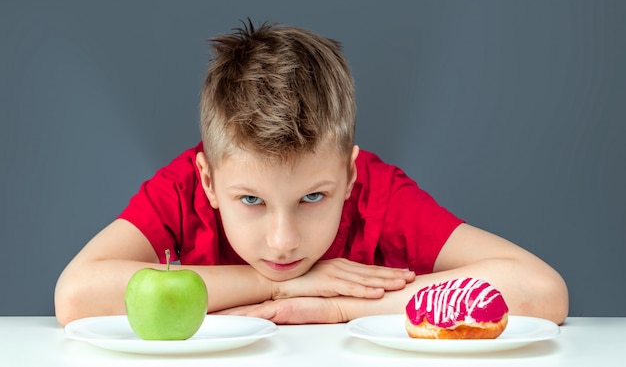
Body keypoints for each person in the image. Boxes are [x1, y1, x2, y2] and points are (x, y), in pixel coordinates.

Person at [54, 21, 568, 327]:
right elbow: (77, 295)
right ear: (209, 181)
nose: (283, 242)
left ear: (349, 175)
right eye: (251, 201)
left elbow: (539, 291)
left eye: (314, 197)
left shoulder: (377, 195)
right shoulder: (182, 191)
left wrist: (341, 307)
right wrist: (269, 286)